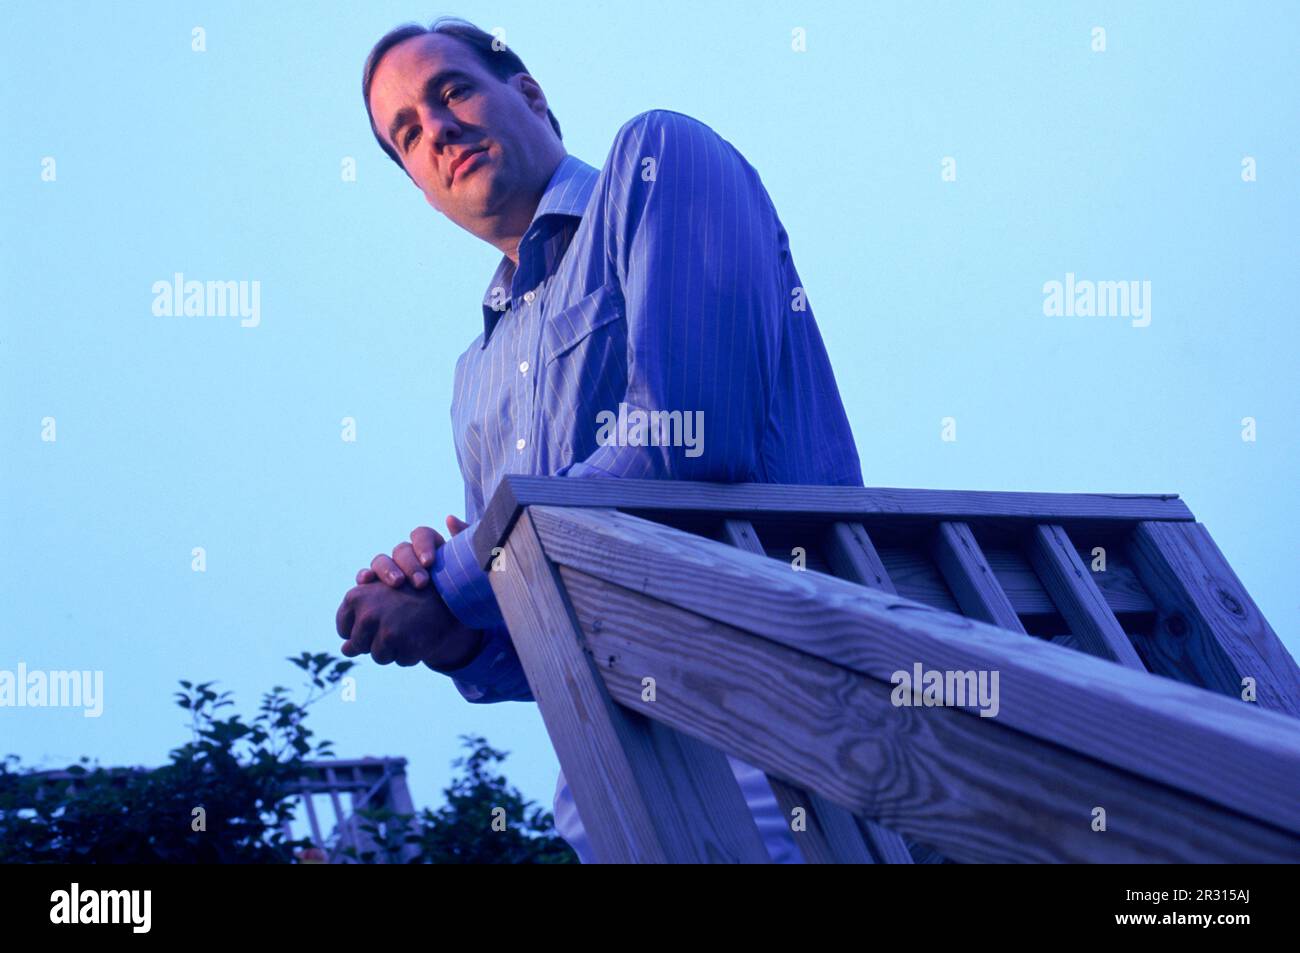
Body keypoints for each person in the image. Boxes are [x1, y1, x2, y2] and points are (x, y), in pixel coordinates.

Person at [336, 16, 864, 864]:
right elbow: (542, 628)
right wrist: (450, 634)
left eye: (452, 90)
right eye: (408, 134)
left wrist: (451, 574)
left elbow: (687, 447)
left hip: (783, 735)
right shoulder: (474, 376)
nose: (437, 129)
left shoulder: (660, 160)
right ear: (421, 188)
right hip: (609, 788)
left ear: (531, 97)